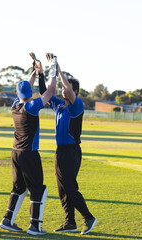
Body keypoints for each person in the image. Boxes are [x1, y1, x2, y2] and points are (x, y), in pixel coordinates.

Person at [39, 54, 97, 235]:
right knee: (62, 189)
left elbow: (68, 90)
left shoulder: (77, 106)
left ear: (75, 92)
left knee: (71, 188)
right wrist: (41, 73)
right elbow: (44, 92)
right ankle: (70, 223)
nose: (64, 90)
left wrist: (58, 69)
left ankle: (89, 217)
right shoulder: (58, 105)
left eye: (68, 88)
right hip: (60, 151)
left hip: (71, 151)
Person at [0, 54, 56, 235]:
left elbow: (26, 87)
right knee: (39, 189)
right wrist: (51, 69)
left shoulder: (15, 105)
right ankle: (35, 226)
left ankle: (7, 220)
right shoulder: (31, 107)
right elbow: (50, 91)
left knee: (19, 188)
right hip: (29, 153)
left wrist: (35, 71)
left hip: (15, 152)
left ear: (17, 94)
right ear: (30, 94)